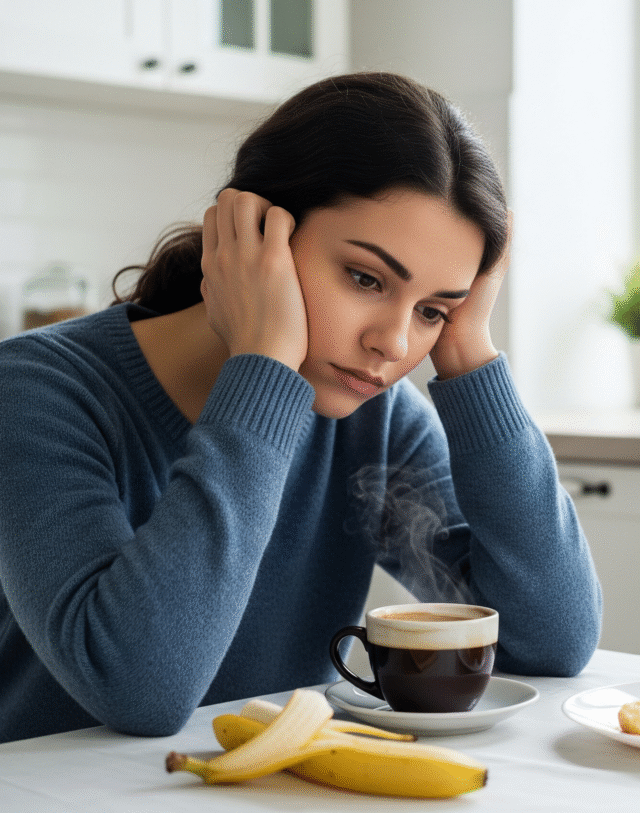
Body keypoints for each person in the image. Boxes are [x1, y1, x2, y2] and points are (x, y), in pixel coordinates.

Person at [0, 73, 601, 743]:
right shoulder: (35, 390)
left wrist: (470, 353)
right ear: (252, 232)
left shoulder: (376, 419)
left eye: (433, 309)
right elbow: (139, 688)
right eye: (366, 278)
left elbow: (552, 639)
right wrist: (263, 363)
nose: (395, 343)